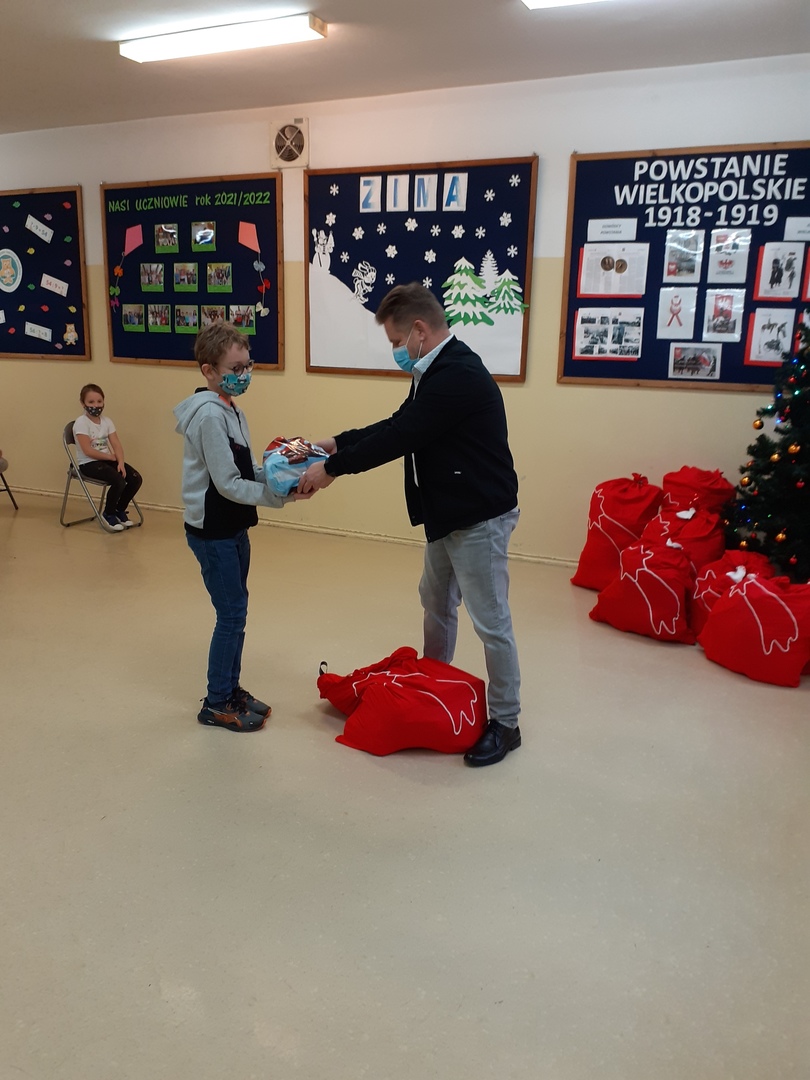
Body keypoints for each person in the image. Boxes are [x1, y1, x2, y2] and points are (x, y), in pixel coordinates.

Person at [299, 283, 521, 767]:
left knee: (491, 621)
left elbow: (402, 436)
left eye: (397, 341)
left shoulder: (457, 373)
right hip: (448, 514)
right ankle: (435, 684)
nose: (397, 351)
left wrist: (331, 470)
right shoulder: (432, 371)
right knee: (436, 602)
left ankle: (507, 722)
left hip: (479, 517)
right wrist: (336, 442)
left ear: (420, 330)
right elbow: (397, 422)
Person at [174, 321, 313, 733]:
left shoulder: (232, 409)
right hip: (213, 530)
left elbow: (246, 468)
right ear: (209, 370)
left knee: (237, 611)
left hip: (234, 526)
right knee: (231, 614)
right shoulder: (208, 417)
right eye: (235, 368)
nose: (244, 374)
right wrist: (280, 498)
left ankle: (231, 690)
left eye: (247, 365)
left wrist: (285, 477)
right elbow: (228, 484)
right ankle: (217, 702)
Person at [73, 384, 143, 531]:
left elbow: (116, 444)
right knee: (118, 481)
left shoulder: (107, 421)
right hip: (89, 463)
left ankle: (119, 510)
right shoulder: (81, 423)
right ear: (83, 403)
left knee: (135, 478)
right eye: (91, 402)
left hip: (108, 460)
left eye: (99, 401)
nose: (96, 405)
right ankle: (108, 514)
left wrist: (120, 462)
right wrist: (111, 458)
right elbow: (87, 451)